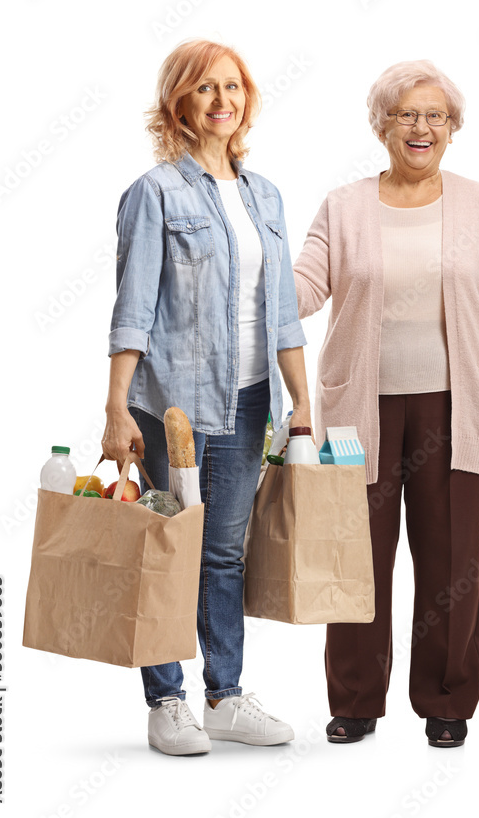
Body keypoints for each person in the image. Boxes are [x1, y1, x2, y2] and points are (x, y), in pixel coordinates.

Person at [292, 59, 479, 748]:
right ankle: (355, 700)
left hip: (455, 409)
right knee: (355, 557)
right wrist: (253, 284)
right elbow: (302, 286)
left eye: (434, 116)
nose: (420, 127)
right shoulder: (343, 205)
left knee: (451, 562)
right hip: (356, 413)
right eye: (405, 114)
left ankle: (446, 700)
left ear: (452, 128)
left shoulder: (476, 204)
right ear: (382, 125)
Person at [102, 39, 312, 755]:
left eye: (232, 87)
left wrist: (300, 403)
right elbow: (132, 312)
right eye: (204, 89)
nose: (222, 101)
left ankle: (224, 694)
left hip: (250, 400)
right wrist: (114, 410)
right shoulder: (154, 193)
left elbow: (281, 312)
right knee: (165, 547)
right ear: (178, 104)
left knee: (223, 554)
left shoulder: (266, 196)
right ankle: (167, 701)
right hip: (173, 407)